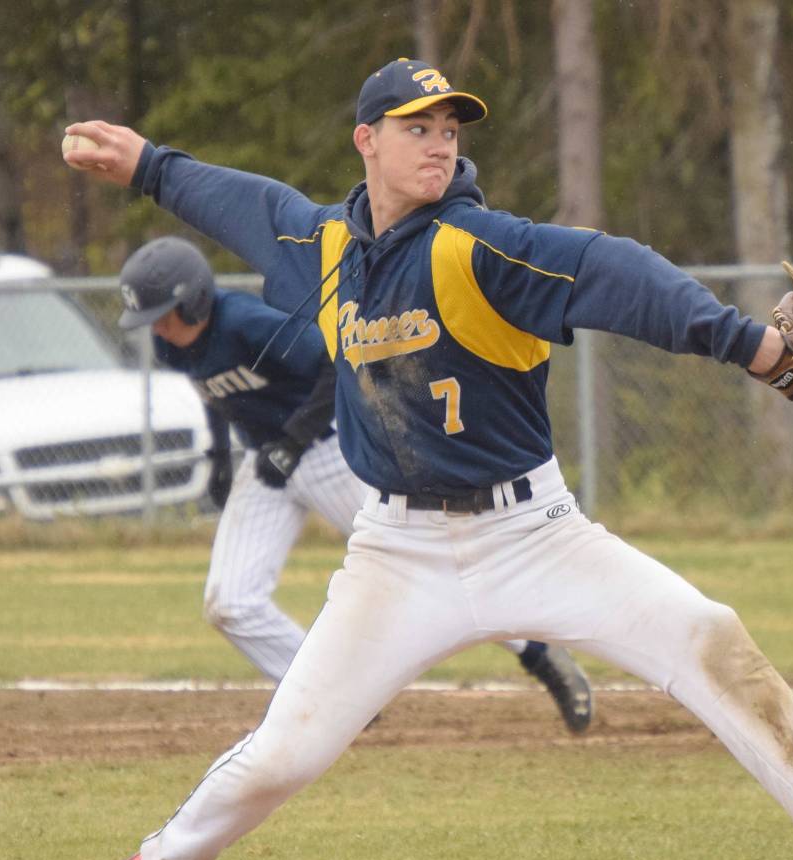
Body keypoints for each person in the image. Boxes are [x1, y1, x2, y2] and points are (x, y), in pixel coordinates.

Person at [62, 58, 793, 860]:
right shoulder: (327, 248)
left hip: (536, 535)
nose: (439, 143)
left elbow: (615, 272)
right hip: (395, 555)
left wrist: (750, 345)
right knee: (285, 752)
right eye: (417, 127)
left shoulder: (480, 247)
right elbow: (244, 205)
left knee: (708, 636)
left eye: (449, 126)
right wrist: (146, 165)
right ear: (365, 141)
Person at [115, 233, 594, 732]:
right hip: (268, 464)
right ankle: (335, 701)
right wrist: (219, 457)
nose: (159, 330)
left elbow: (334, 362)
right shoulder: (171, 345)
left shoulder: (245, 324)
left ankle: (541, 656)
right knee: (229, 604)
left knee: (441, 562)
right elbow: (214, 391)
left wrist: (294, 441)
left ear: (193, 302)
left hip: (329, 449)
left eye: (164, 315)